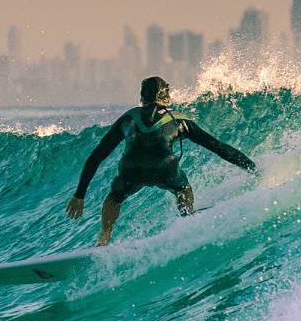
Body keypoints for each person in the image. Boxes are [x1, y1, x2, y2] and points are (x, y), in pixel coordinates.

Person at [65, 76, 257, 246]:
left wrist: (79, 194)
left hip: (131, 169)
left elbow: (97, 155)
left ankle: (103, 239)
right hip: (165, 168)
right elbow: (219, 147)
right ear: (167, 98)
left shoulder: (128, 118)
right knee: (183, 188)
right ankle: (187, 221)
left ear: (142, 97)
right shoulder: (179, 119)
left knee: (114, 197)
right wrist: (252, 168)